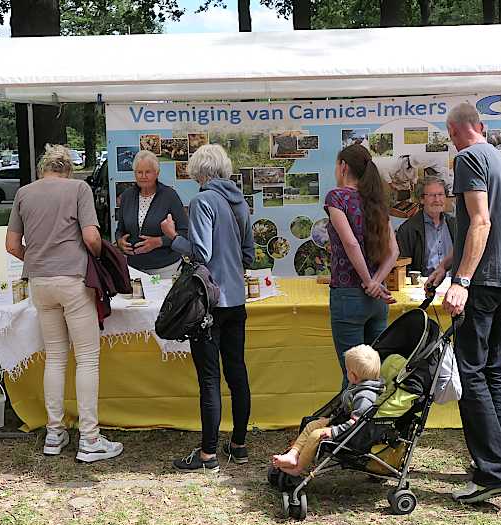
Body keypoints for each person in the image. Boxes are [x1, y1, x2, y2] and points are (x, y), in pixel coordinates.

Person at [427, 104, 501, 504]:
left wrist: (462, 281)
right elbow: (489, 225)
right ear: (481, 127)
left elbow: (481, 221)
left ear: (453, 131)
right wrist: (446, 266)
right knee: (494, 373)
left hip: (484, 284)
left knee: (471, 375)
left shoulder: (467, 159)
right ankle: (500, 463)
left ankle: (492, 472)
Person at [5, 144, 123, 463]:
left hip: (40, 283)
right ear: (68, 168)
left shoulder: (24, 194)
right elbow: (91, 238)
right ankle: (90, 438)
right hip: (72, 279)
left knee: (55, 356)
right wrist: (99, 258)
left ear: (44, 167)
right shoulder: (78, 188)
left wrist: (40, 259)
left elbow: (12, 245)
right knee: (86, 359)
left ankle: (54, 433)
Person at [160, 144, 254, 473]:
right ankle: (239, 446)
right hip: (236, 300)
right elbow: (249, 256)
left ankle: (208, 455)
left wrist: (173, 237)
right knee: (237, 372)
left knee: (210, 379)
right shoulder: (239, 201)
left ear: (199, 172)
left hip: (209, 303)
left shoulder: (202, 200)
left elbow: (200, 252)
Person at [326, 144, 399, 390]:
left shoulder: (337, 197)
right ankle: (373, 426)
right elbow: (394, 251)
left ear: (343, 167)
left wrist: (369, 281)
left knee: (353, 376)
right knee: (373, 374)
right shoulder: (376, 201)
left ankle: (352, 426)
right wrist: (376, 282)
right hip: (376, 301)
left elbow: (350, 242)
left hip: (348, 295)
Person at [271, 344, 384, 476]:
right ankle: (293, 454)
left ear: (353, 375)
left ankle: (298, 468)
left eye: (347, 370)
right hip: (345, 424)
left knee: (315, 435)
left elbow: (356, 425)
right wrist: (331, 420)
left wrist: (334, 431)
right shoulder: (357, 386)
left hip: (352, 434)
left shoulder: (365, 397)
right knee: (312, 425)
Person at [115, 150, 188, 278]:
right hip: (134, 269)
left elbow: (184, 232)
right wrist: (120, 241)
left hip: (164, 268)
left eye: (147, 172)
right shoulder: (127, 196)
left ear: (157, 173)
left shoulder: (170, 196)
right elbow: (120, 229)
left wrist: (159, 241)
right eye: (139, 172)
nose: (143, 176)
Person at [395, 177, 457, 277]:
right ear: (422, 199)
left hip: (453, 285)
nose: (437, 200)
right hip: (423, 285)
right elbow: (403, 266)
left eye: (441, 194)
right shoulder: (408, 229)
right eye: (432, 195)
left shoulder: (455, 225)